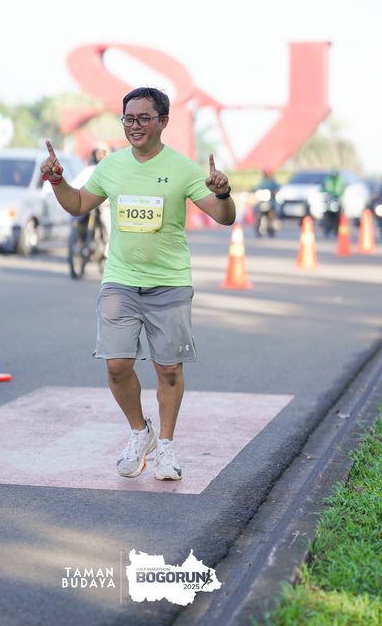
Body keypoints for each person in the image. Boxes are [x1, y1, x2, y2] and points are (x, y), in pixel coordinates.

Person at [41, 87, 236, 481]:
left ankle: (166, 446)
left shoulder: (182, 168)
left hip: (170, 283)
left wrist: (224, 193)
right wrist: (58, 181)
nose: (135, 125)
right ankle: (139, 432)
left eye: (144, 118)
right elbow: (78, 204)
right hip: (121, 281)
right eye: (128, 118)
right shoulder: (112, 166)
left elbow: (224, 216)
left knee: (169, 370)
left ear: (163, 122)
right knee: (116, 366)